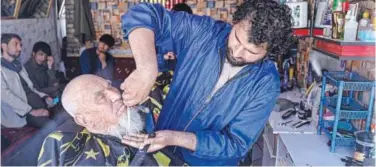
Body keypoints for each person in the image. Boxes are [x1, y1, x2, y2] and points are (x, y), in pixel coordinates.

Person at [120, 0, 293, 165]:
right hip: (162, 155)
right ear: (236, 22)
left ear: (269, 51)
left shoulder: (266, 84)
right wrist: (147, 68)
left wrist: (174, 138)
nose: (237, 52)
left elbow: (237, 144)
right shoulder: (204, 33)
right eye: (237, 39)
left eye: (251, 51)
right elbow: (144, 14)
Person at [36, 74, 186, 166]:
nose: (116, 95)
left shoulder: (141, 106)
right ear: (84, 120)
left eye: (110, 86)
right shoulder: (82, 155)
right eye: (101, 97)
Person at [1, 33, 55, 128]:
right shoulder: (2, 69)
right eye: (16, 44)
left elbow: (31, 87)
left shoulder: (18, 66)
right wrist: (31, 111)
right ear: (4, 46)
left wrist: (45, 97)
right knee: (50, 125)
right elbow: (6, 96)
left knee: (61, 107)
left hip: (33, 101)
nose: (20, 48)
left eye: (20, 45)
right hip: (20, 111)